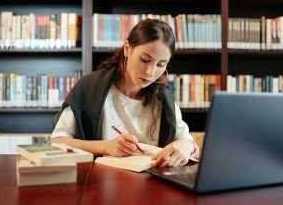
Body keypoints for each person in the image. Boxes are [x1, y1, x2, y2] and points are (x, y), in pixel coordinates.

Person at [51, 18, 199, 168]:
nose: (151, 72)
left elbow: (192, 146)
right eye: (145, 59)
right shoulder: (90, 87)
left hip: (151, 184)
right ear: (127, 49)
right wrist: (105, 147)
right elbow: (57, 140)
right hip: (99, 183)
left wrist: (186, 146)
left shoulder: (163, 100)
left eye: (161, 64)